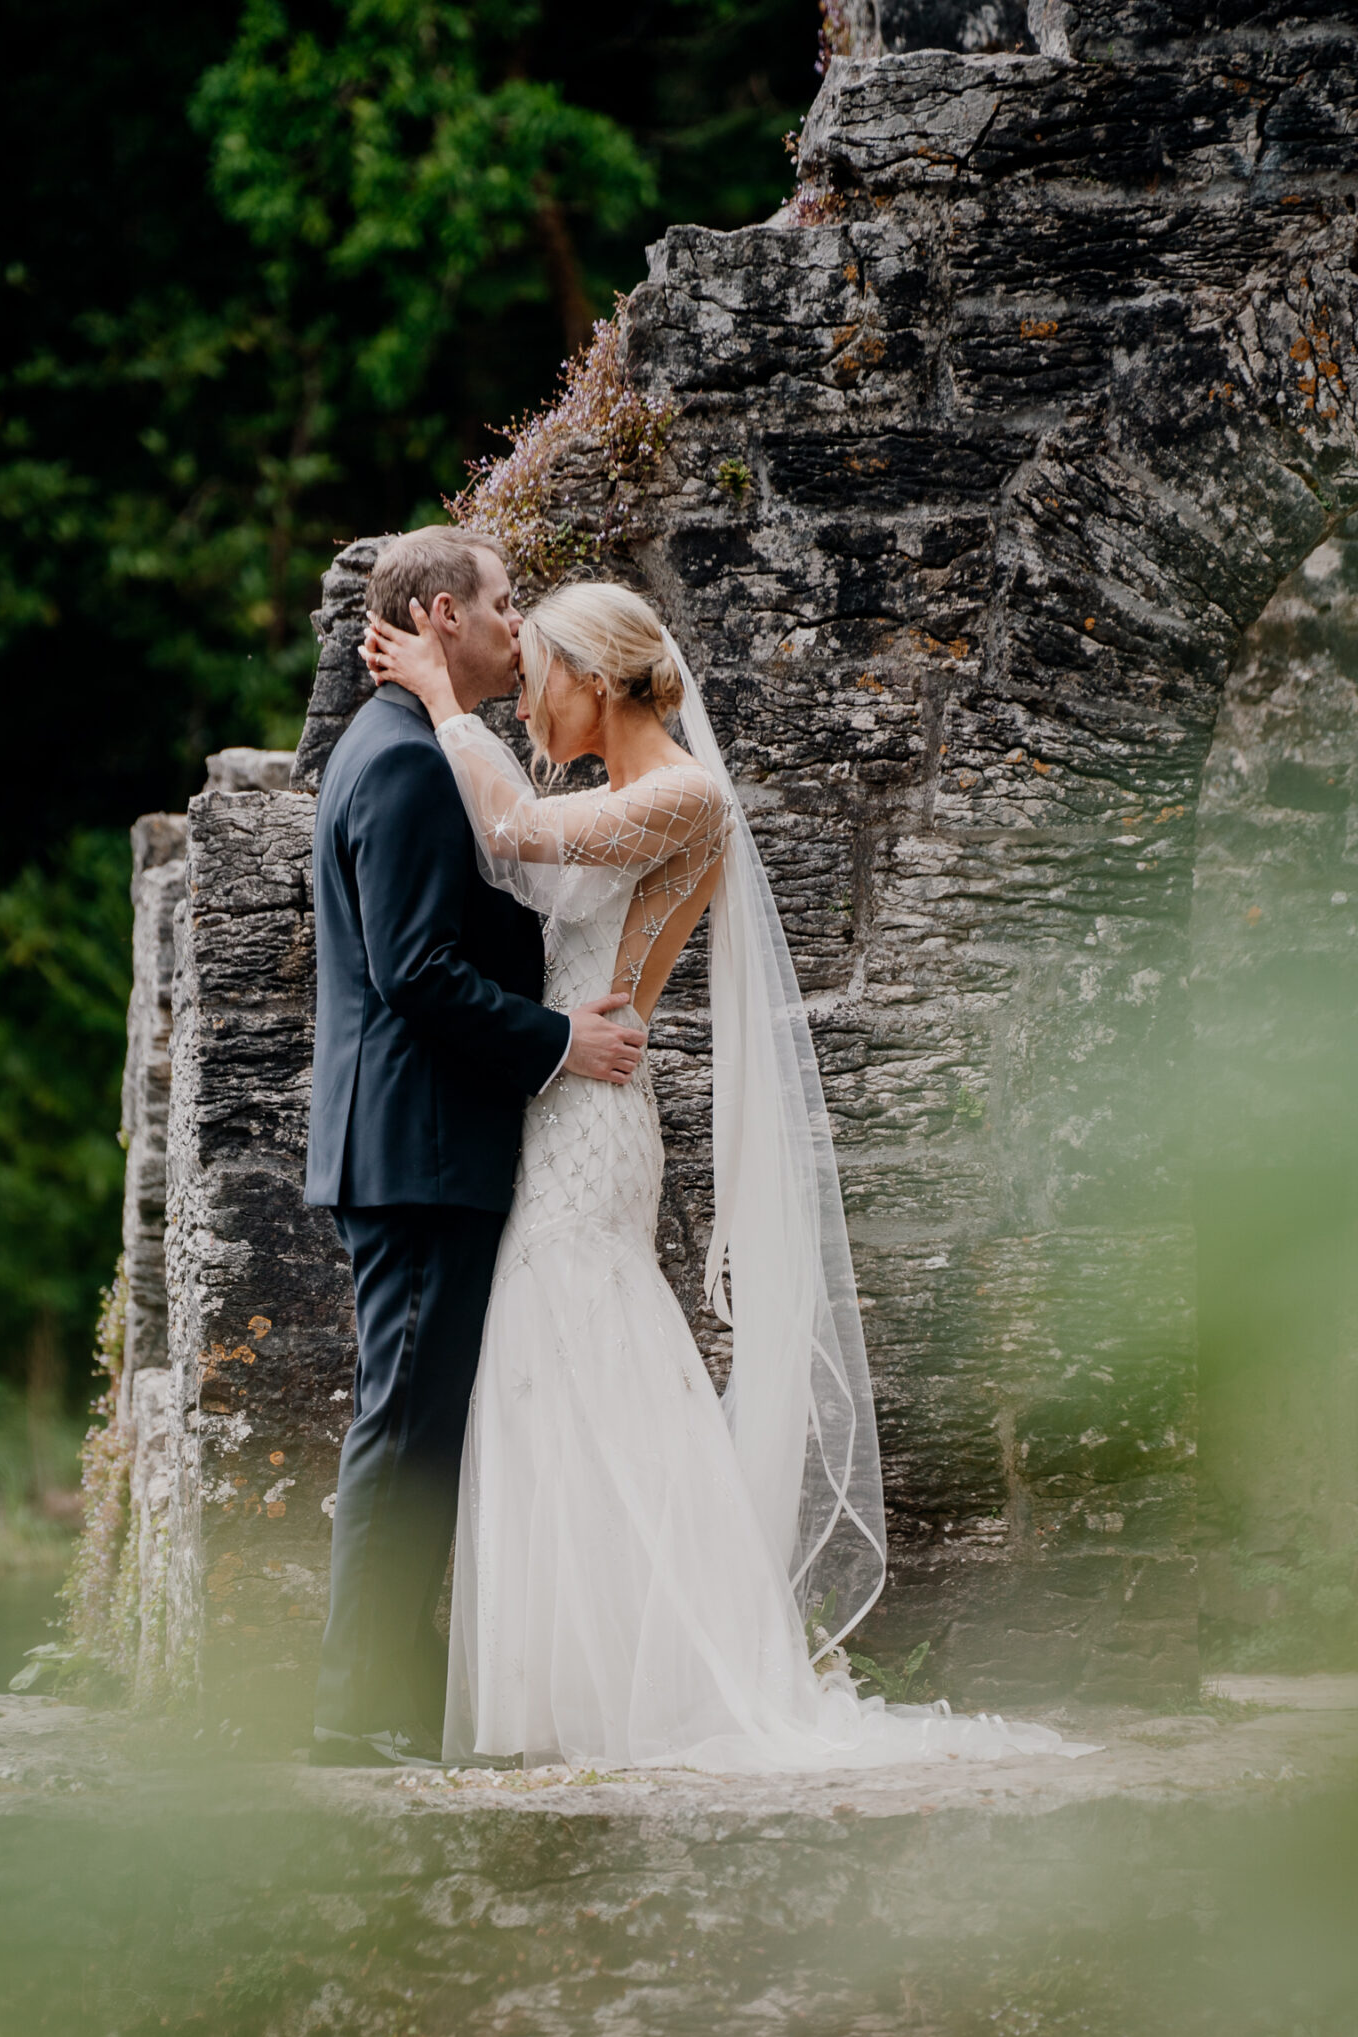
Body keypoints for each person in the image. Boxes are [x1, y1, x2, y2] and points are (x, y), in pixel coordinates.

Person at [362, 579, 1094, 1771]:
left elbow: (508, 833)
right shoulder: (616, 794)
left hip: (590, 1127)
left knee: (579, 1346)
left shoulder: (686, 799)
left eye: (541, 675)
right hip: (563, 1100)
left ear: (597, 682)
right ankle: (569, 1686)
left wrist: (443, 696)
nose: (531, 701)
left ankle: (656, 1682)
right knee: (549, 1370)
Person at [306, 529, 648, 1766]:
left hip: (422, 1144)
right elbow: (415, 972)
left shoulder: (414, 744)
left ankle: (391, 1700)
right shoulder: (399, 763)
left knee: (423, 1427)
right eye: (506, 605)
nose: (521, 624)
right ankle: (353, 1714)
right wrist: (561, 1037)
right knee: (402, 1428)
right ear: (443, 615)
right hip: (415, 1148)